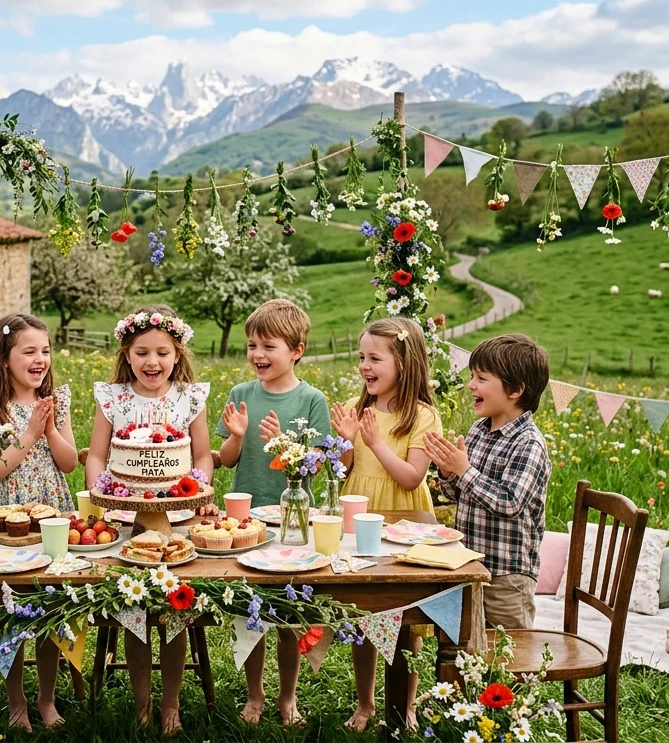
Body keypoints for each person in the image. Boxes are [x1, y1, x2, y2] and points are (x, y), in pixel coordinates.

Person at [85, 304, 211, 735]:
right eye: (141, 352)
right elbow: (99, 454)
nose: (151, 362)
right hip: (123, 515)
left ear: (177, 354)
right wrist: (101, 493)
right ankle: (142, 703)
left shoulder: (190, 397)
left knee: (174, 612)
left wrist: (196, 490)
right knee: (134, 612)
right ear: (126, 353)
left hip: (176, 518)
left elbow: (202, 456)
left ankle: (171, 702)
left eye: (161, 352)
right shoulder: (114, 397)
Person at [215, 298, 330, 727]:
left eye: (268, 346)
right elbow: (226, 459)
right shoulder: (241, 395)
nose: (258, 355)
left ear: (297, 350)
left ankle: (287, 697)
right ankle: (255, 694)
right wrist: (239, 436)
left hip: (292, 522)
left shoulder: (311, 400)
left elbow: (318, 462)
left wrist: (285, 443)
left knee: (287, 615)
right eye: (251, 346)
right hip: (247, 518)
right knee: (252, 614)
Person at [328, 317, 441, 732]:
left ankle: (405, 705)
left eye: (375, 358)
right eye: (361, 357)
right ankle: (365, 702)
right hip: (360, 514)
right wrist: (345, 440)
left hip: (404, 518)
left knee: (404, 617)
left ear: (404, 363)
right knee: (363, 613)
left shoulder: (423, 417)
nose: (364, 366)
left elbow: (412, 477)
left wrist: (375, 441)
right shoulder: (360, 410)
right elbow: (344, 470)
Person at [0, 313, 77, 731]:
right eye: (29, 351)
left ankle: (47, 698)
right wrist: (29, 434)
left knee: (53, 604)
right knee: (11, 606)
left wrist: (49, 429)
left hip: (51, 512)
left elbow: (69, 463)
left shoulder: (56, 401)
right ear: (4, 359)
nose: (40, 360)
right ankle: (16, 700)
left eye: (45, 351)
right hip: (6, 515)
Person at [425, 333, 552, 631]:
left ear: (516, 390)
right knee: (467, 647)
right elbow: (461, 493)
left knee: (509, 656)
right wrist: (448, 472)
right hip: (469, 565)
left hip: (506, 579)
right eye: (472, 376)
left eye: (481, 378)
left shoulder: (528, 443)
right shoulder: (479, 431)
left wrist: (464, 470)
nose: (471, 385)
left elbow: (509, 503)